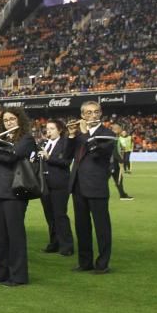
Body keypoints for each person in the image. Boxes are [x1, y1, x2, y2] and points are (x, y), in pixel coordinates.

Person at [0, 107, 36, 286]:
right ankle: (1, 274)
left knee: (15, 235)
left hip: (14, 192)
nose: (9, 123)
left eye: (12, 119)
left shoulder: (26, 139)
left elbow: (12, 157)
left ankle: (18, 276)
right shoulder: (1, 139)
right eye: (6, 120)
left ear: (20, 120)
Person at [66, 101, 115, 273]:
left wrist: (86, 134)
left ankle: (102, 264)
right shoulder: (79, 134)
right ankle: (85, 262)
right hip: (78, 186)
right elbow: (66, 156)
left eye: (95, 112)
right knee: (82, 227)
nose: (92, 116)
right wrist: (71, 136)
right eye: (88, 113)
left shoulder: (107, 134)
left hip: (96, 186)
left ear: (100, 113)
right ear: (82, 115)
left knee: (102, 227)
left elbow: (97, 155)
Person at [38, 118, 73, 256]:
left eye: (52, 128)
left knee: (60, 215)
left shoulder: (65, 143)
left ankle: (67, 246)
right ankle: (54, 243)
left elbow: (66, 162)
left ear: (60, 130)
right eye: (47, 128)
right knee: (50, 217)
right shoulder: (45, 143)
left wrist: (48, 157)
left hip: (59, 184)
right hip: (45, 184)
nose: (49, 131)